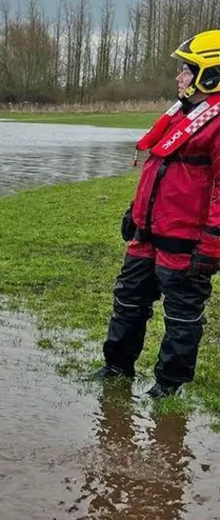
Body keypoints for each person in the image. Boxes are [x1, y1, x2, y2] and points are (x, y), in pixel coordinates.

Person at [92, 29, 220, 398]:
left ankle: (168, 386)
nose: (179, 77)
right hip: (147, 236)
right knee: (128, 301)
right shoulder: (183, 116)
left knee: (181, 316)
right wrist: (134, 211)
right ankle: (117, 367)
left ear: (209, 75)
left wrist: (212, 244)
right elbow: (158, 170)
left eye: (186, 70)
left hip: (185, 242)